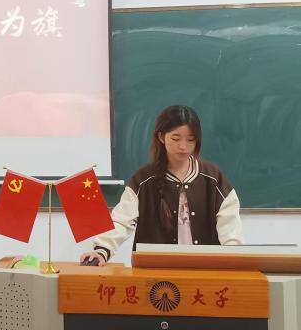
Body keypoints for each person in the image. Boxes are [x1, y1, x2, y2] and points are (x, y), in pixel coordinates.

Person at [81, 105, 244, 265]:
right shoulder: (143, 180)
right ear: (161, 137)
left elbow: (229, 224)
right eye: (175, 138)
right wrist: (102, 250)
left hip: (204, 269)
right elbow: (121, 220)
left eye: (190, 140)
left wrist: (235, 257)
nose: (183, 146)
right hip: (155, 270)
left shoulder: (213, 178)